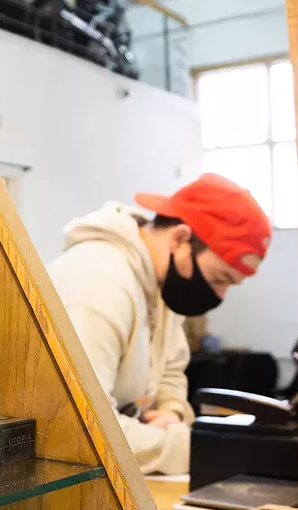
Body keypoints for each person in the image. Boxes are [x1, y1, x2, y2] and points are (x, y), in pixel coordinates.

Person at [47, 174, 271, 474]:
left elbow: (170, 369)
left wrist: (170, 412)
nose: (219, 296)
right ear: (180, 239)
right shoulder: (98, 286)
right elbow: (79, 427)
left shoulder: (160, 282)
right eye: (219, 279)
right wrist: (189, 448)